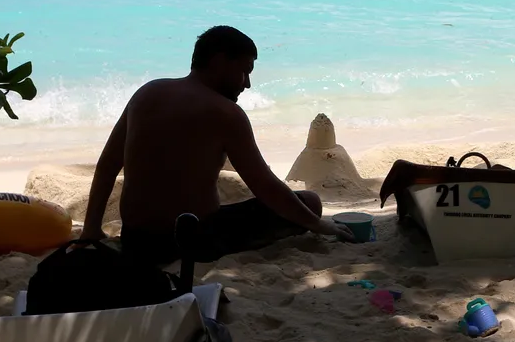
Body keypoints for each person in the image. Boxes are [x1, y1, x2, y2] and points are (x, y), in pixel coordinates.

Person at [81, 26, 354, 265]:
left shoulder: (146, 93)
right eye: (245, 72)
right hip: (194, 239)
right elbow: (265, 186)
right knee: (310, 202)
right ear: (220, 61)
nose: (247, 84)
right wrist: (319, 225)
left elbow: (107, 165)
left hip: (137, 240)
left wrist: (91, 229)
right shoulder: (226, 114)